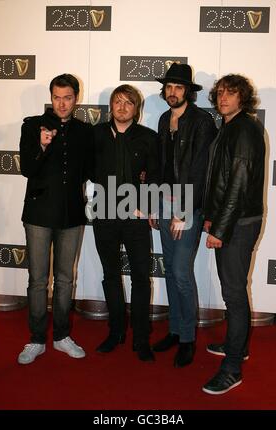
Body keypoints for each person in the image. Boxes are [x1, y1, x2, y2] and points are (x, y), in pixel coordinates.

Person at [18, 74, 92, 364]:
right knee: (37, 280)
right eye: (57, 97)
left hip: (71, 214)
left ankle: (61, 336)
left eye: (68, 97)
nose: (62, 103)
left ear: (76, 98)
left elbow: (90, 170)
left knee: (64, 279)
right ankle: (36, 339)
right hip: (37, 213)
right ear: (51, 98)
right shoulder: (31, 126)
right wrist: (42, 146)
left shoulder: (85, 132)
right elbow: (26, 169)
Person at [202, 74, 265, 394]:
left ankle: (232, 368)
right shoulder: (233, 126)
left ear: (244, 98)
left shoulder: (244, 129)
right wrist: (213, 219)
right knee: (233, 291)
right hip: (232, 221)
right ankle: (235, 346)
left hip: (238, 225)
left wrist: (221, 229)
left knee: (234, 294)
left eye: (231, 93)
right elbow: (223, 179)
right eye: (220, 93)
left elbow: (238, 185)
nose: (223, 98)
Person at [151, 63, 217, 367]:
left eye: (178, 87)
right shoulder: (164, 119)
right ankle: (176, 330)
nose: (173, 92)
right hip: (164, 205)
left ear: (188, 91)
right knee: (170, 272)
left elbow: (201, 169)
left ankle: (188, 338)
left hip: (186, 208)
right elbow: (161, 165)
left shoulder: (202, 122)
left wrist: (185, 210)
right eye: (169, 87)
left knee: (180, 272)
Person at [91, 84, 159, 362]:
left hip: (135, 217)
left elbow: (155, 175)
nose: (122, 107)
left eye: (128, 103)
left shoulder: (148, 138)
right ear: (111, 106)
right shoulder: (94, 135)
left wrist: (148, 207)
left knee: (141, 278)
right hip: (104, 214)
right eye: (117, 102)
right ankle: (116, 331)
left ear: (137, 109)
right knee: (110, 275)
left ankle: (141, 338)